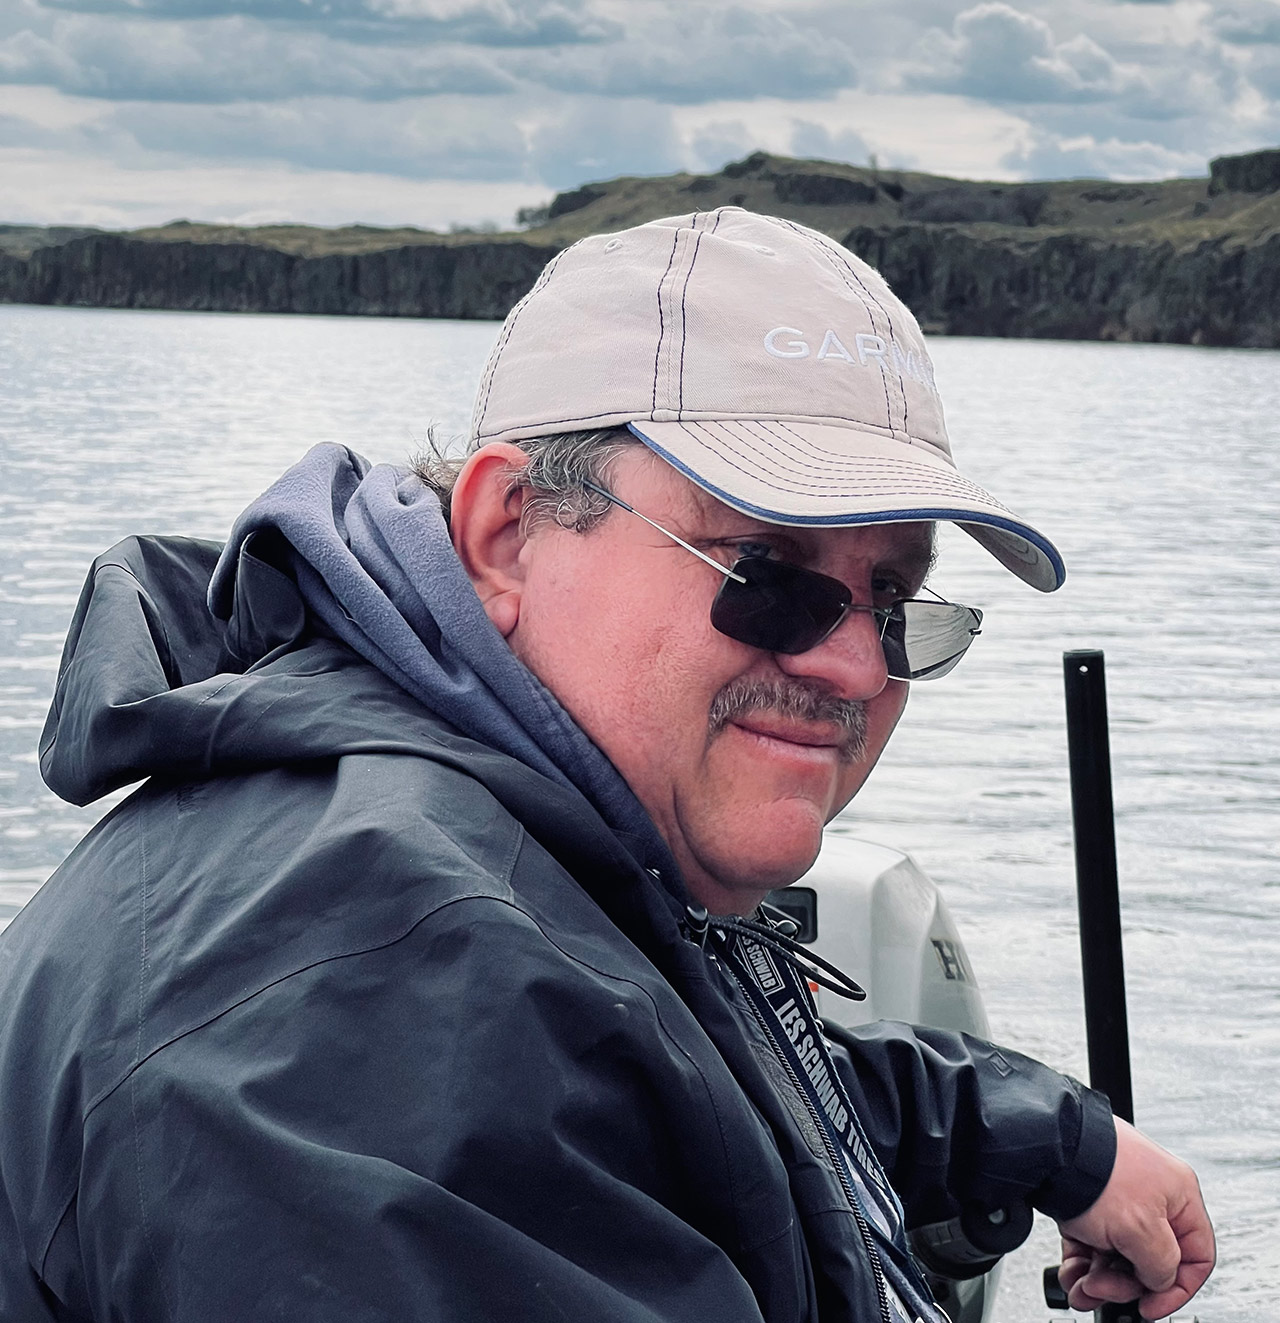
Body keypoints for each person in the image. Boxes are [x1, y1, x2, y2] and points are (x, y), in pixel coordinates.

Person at [0, 208, 1212, 1323]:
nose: (851, 666)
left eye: (892, 600)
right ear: (504, 537)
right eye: (767, 575)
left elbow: (676, 1078)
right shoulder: (375, 1003)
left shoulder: (500, 841)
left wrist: (1053, 1138)